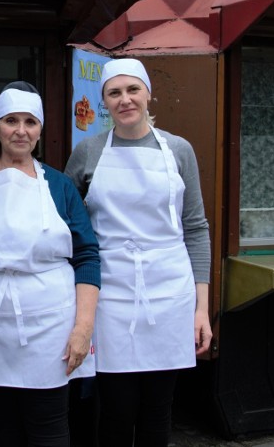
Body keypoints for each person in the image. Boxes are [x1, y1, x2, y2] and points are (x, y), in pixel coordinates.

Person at [64, 58, 213, 447]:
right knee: (115, 409)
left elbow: (196, 229)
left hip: (169, 295)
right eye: (114, 93)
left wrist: (201, 309)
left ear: (149, 94)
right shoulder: (88, 152)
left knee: (159, 410)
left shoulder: (179, 150)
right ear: (104, 103)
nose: (125, 99)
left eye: (133, 90)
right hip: (110, 295)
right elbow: (68, 228)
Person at [0, 85, 100, 447]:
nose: (21, 130)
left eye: (30, 122)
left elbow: (86, 257)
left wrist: (83, 328)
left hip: (50, 321)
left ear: (40, 130)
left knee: (48, 425)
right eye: (11, 121)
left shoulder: (60, 186)